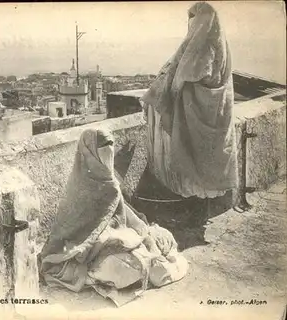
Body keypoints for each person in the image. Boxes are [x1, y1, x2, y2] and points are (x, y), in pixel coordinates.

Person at [38, 128, 188, 305]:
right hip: (86, 249)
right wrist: (101, 242)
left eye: (110, 145)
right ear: (89, 150)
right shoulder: (79, 186)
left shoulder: (110, 183)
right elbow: (73, 230)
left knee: (154, 253)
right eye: (102, 147)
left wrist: (141, 234)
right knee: (126, 269)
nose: (107, 152)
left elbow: (126, 214)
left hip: (114, 239)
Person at [140, 2, 238, 208]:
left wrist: (167, 90)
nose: (191, 25)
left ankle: (194, 210)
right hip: (215, 114)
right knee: (206, 165)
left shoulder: (200, 44)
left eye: (194, 20)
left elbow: (183, 75)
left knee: (193, 164)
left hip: (196, 114)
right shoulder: (220, 42)